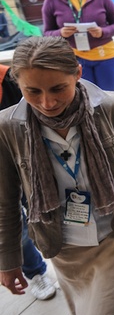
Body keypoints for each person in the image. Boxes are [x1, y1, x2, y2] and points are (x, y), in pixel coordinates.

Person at [0, 36, 114, 315]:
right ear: (18, 84)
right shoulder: (8, 127)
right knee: (89, 311)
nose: (47, 102)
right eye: (33, 91)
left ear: (77, 74)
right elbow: (5, 200)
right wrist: (8, 259)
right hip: (62, 243)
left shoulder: (110, 106)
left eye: (57, 88)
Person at [0, 64, 57, 301]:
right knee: (16, 226)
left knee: (44, 211)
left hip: (27, 163)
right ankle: (35, 272)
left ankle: (68, 259)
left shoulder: (9, 79)